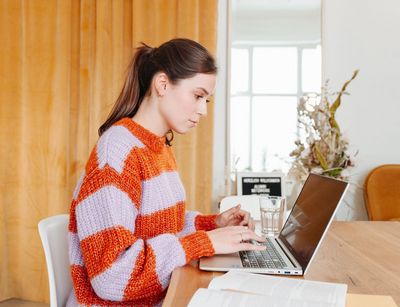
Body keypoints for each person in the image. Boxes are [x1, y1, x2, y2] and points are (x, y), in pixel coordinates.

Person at [67, 38, 266, 306]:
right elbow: (112, 276)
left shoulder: (159, 148)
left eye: (207, 99)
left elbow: (159, 227)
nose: (203, 110)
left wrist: (213, 225)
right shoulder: (117, 151)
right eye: (197, 96)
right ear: (162, 84)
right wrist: (203, 242)